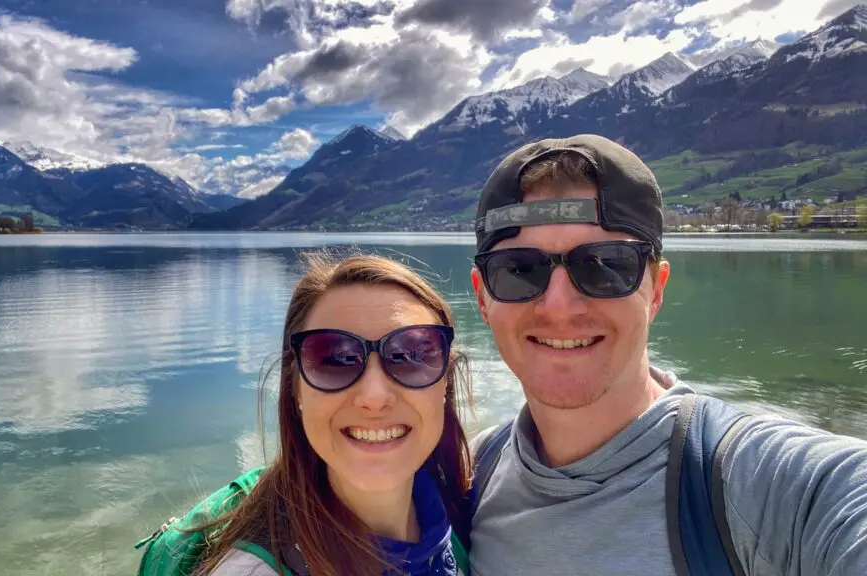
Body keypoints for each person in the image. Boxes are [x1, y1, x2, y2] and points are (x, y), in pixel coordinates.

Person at [466, 134, 867, 575]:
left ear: (655, 290)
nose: (559, 307)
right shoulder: (471, 474)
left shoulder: (773, 488)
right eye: (519, 270)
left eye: (605, 264)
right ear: (482, 298)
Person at [138, 252, 474, 576]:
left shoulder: (464, 509)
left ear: (444, 382)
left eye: (411, 355)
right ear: (296, 389)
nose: (374, 397)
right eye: (334, 360)